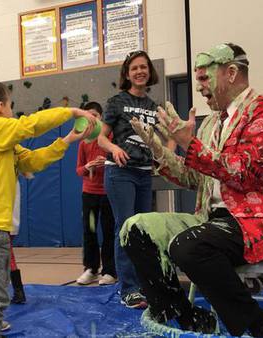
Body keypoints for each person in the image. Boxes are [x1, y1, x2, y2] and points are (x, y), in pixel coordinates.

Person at [122, 43, 263, 337]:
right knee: (135, 228)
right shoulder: (211, 123)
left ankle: (257, 323)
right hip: (211, 222)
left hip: (253, 223)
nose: (200, 88)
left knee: (188, 245)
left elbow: (243, 171)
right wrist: (157, 149)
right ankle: (187, 317)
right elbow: (194, 178)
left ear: (230, 73)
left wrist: (189, 144)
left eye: (205, 79)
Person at [0, 77, 95, 338]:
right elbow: (30, 125)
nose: (12, 111)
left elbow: (32, 162)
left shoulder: (2, 140)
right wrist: (72, 112)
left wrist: (66, 139)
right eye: (10, 105)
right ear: (1, 107)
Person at [97, 50, 159, 308]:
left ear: (149, 71)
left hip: (144, 175)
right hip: (120, 173)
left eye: (144, 67)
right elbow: (100, 137)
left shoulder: (154, 107)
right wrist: (113, 148)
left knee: (142, 231)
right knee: (126, 228)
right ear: (127, 74)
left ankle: (145, 284)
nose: (140, 71)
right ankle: (129, 289)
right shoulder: (116, 101)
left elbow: (160, 138)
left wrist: (161, 155)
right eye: (134, 68)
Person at [75, 101, 116, 286]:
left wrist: (106, 160)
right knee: (90, 231)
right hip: (89, 195)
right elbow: (78, 170)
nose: (91, 119)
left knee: (109, 232)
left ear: (101, 117)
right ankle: (91, 269)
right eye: (87, 116)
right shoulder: (83, 142)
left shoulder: (111, 137)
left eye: (94, 116)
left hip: (108, 194)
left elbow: (120, 158)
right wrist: (87, 167)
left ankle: (109, 271)